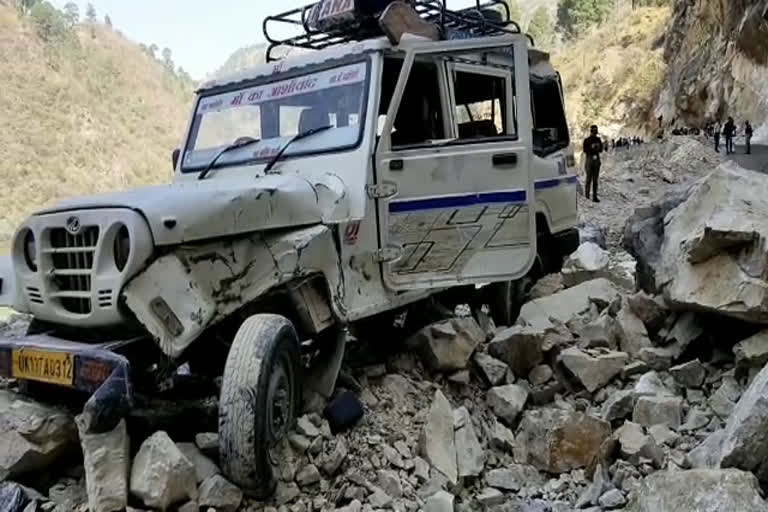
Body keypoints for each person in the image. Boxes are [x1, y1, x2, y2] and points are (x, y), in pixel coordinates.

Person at [582, 125, 604, 203]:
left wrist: (597, 147)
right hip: (590, 159)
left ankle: (594, 196)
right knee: (589, 179)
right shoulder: (587, 140)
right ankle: (587, 196)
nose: (594, 132)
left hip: (596, 159)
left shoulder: (598, 139)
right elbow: (585, 150)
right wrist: (592, 147)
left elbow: (601, 149)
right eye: (594, 131)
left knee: (595, 179)